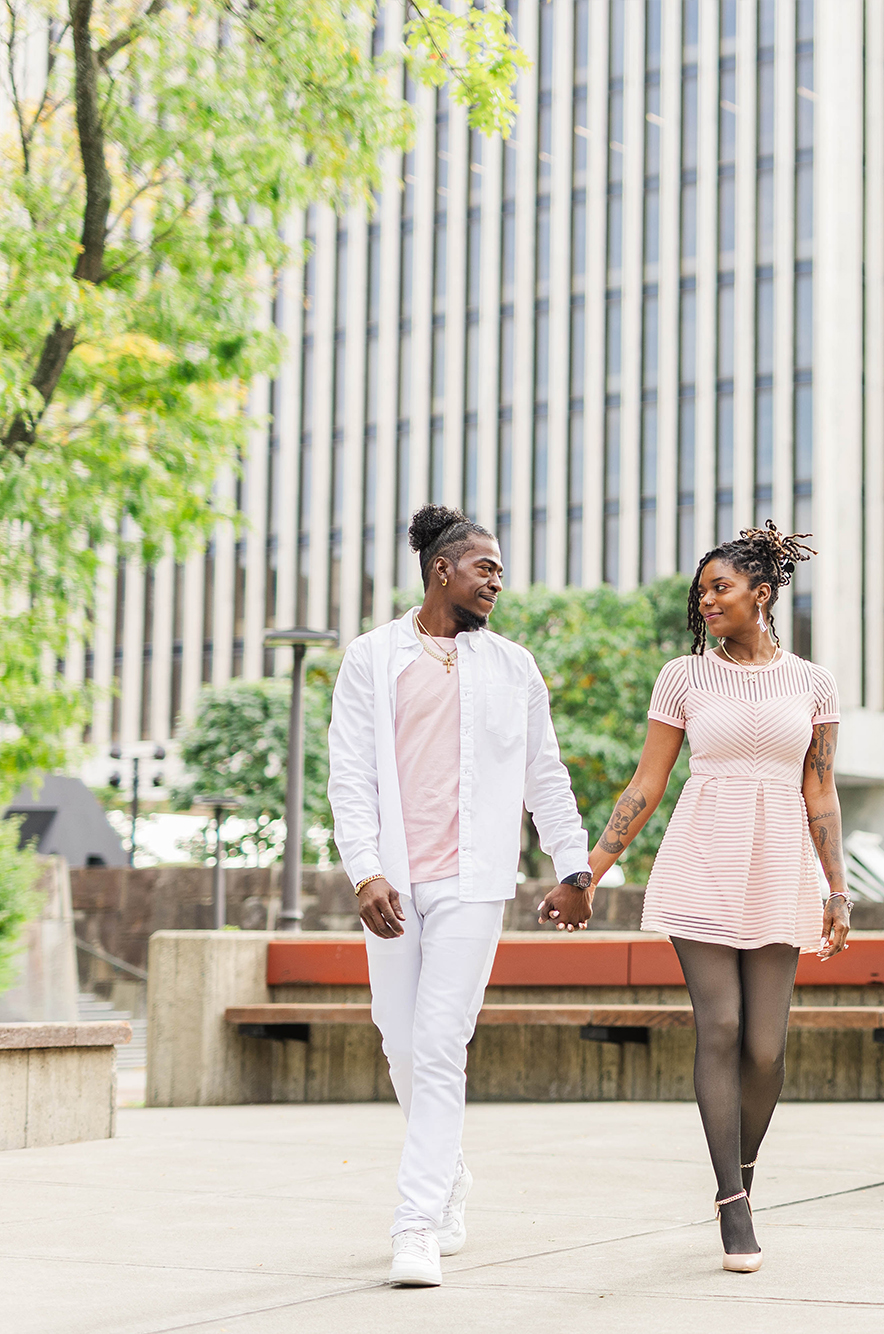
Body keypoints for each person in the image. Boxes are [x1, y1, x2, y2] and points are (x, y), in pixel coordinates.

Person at [542, 522, 850, 1273]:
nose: (705, 599)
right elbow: (646, 786)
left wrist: (836, 889)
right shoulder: (683, 678)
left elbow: (821, 792)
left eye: (721, 587)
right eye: (702, 589)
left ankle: (742, 1175)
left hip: (780, 862)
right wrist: (586, 872)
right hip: (703, 856)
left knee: (766, 1048)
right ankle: (731, 1204)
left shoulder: (814, 685)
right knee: (719, 1026)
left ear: (762, 594)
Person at [328, 504, 596, 1288]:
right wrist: (364, 869)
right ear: (443, 568)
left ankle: (415, 1223)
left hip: (475, 884)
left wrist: (573, 869)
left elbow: (546, 776)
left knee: (441, 1044)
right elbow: (350, 772)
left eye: (501, 572)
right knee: (401, 1044)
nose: (498, 584)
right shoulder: (372, 659)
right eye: (487, 569)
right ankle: (447, 1172)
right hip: (395, 883)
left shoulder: (514, 667)